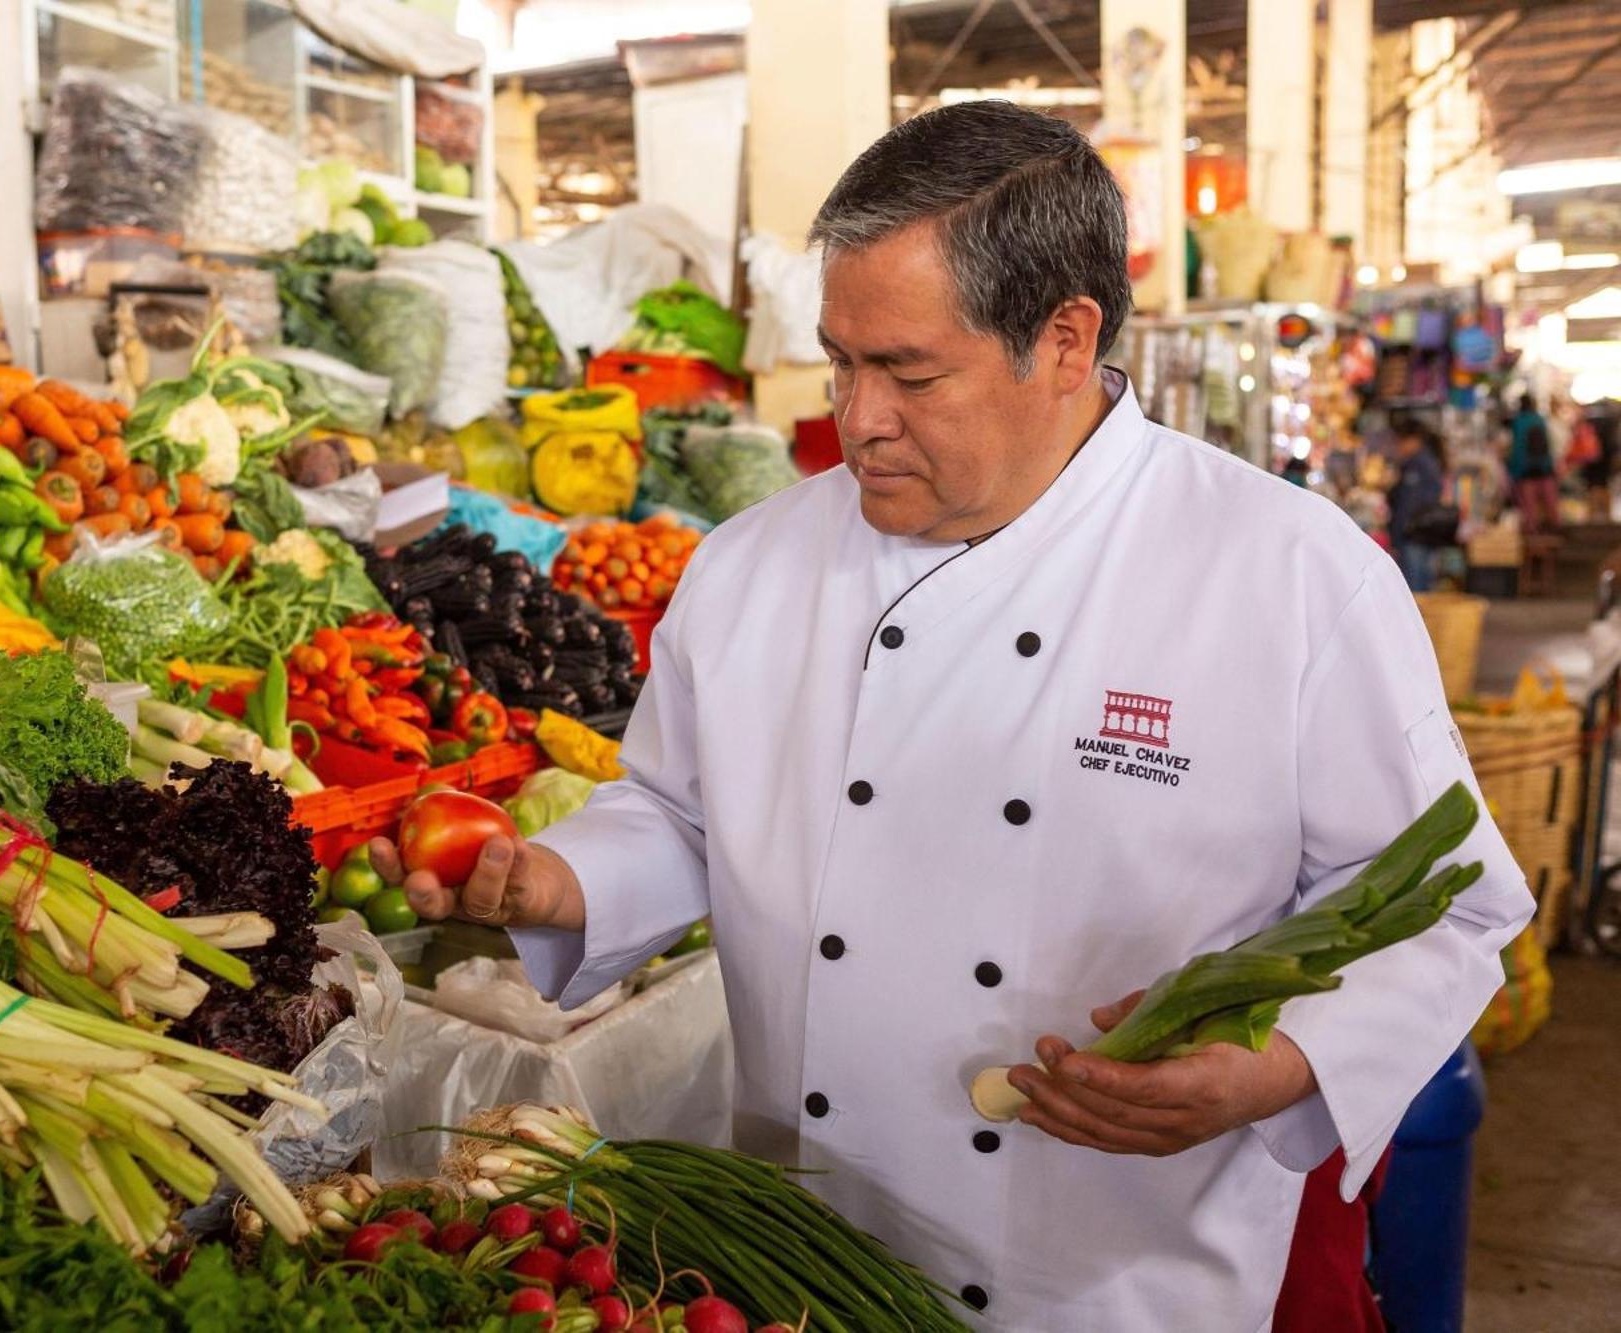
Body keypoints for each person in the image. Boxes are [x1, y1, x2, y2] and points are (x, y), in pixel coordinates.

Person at [374, 102, 1530, 1331]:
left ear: (1065, 340)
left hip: (1113, 1280)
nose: (855, 416)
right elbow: (676, 812)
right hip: (799, 1259)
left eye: (908, 372)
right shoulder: (751, 565)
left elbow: (1448, 903)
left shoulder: (1286, 575)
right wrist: (555, 883)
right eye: (840, 360)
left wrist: (1276, 1070)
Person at [1386, 421, 1448, 591]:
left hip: (1414, 535)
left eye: (1400, 441)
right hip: (1419, 534)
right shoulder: (1421, 463)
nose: (1397, 447)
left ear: (1414, 440)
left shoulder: (1419, 465)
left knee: (1415, 589)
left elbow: (1409, 505)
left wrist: (1397, 534)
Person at [1507, 393, 1558, 532]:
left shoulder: (1518, 422)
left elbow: (1518, 449)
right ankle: (1556, 531)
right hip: (1545, 468)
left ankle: (1533, 536)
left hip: (1526, 471)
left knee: (1529, 508)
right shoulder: (1540, 420)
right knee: (1550, 504)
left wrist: (1514, 471)